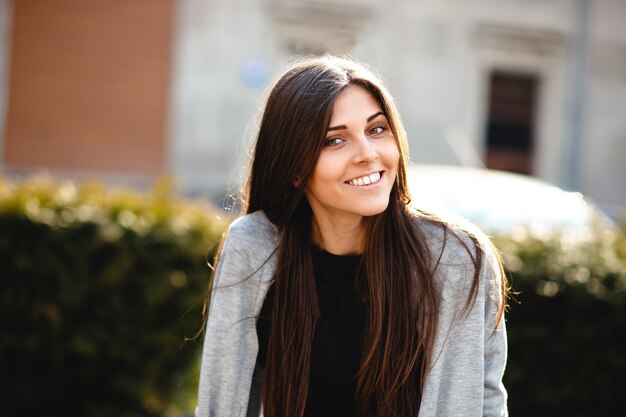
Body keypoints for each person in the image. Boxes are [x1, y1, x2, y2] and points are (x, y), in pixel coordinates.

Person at [195, 55, 510, 417]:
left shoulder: (455, 258)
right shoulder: (254, 248)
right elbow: (220, 404)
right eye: (335, 141)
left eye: (377, 129)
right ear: (294, 169)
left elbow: (486, 402)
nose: (367, 154)